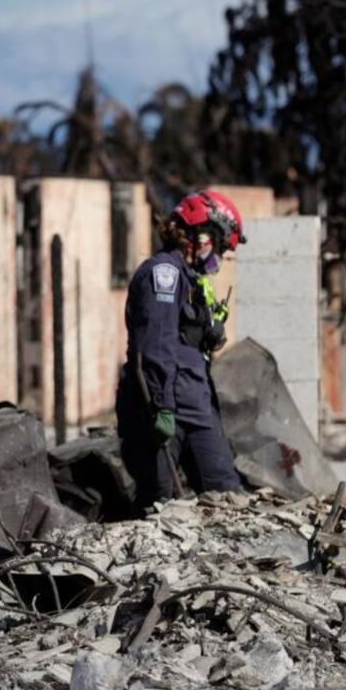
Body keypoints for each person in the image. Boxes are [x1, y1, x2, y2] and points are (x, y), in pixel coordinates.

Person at [116, 189, 245, 509]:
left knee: (226, 496)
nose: (219, 258)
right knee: (159, 504)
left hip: (197, 406)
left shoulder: (192, 281)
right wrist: (162, 408)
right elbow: (155, 345)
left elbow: (182, 341)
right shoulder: (164, 275)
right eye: (219, 247)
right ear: (200, 236)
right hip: (164, 410)